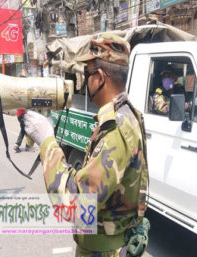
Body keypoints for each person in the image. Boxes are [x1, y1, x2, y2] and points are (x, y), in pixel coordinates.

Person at [24, 33, 149, 256]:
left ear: (100, 77)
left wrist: (47, 143)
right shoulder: (127, 115)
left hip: (102, 250)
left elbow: (75, 204)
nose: (84, 80)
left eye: (87, 73)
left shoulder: (116, 128)